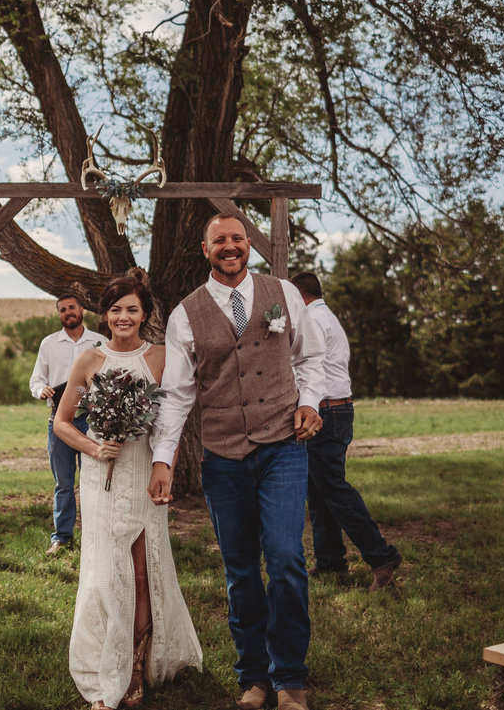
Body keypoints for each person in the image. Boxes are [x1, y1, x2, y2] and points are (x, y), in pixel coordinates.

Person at [148, 214, 326, 710]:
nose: (230, 247)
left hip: (282, 445)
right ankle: (254, 678)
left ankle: (290, 677)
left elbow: (311, 359)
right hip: (223, 455)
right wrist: (163, 458)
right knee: (242, 571)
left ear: (249, 245)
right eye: (220, 240)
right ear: (205, 250)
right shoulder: (186, 314)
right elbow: (178, 394)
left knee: (287, 561)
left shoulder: (283, 293)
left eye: (238, 239)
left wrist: (310, 401)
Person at [53, 274, 202, 710]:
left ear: (145, 314)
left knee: (139, 572)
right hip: (101, 478)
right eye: (116, 309)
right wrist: (94, 447)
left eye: (132, 309)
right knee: (105, 572)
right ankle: (106, 659)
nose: (123, 317)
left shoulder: (159, 358)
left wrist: (166, 469)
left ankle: (134, 664)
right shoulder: (87, 362)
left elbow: (171, 421)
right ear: (105, 313)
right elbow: (63, 421)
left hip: (144, 472)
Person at [289, 272, 401, 590]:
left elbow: (297, 366)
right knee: (318, 490)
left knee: (333, 488)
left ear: (299, 296)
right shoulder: (326, 317)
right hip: (332, 409)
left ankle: (382, 557)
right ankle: (331, 562)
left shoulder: (312, 321)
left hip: (326, 412)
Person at [29, 292, 104, 555]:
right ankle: (61, 537)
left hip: (92, 420)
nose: (67, 312)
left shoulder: (100, 341)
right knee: (63, 482)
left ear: (82, 309)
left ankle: (95, 536)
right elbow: (36, 379)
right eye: (62, 309)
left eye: (71, 307)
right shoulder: (49, 343)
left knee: (93, 479)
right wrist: (42, 391)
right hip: (60, 419)